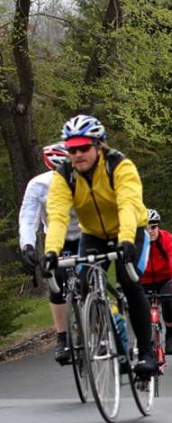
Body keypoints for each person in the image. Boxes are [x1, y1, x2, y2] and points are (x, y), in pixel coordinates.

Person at [41, 115, 158, 377]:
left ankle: (148, 353)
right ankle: (111, 341)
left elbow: (128, 205)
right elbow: (57, 216)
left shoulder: (119, 166)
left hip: (130, 230)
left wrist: (127, 240)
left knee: (130, 282)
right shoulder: (64, 176)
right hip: (93, 234)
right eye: (72, 149)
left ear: (99, 146)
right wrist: (51, 251)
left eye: (84, 147)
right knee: (84, 287)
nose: (78, 154)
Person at [18, 143, 82, 364]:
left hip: (87, 234)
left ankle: (98, 320)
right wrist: (27, 246)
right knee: (57, 283)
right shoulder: (38, 185)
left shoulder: (87, 177)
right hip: (58, 238)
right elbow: (28, 218)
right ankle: (62, 337)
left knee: (92, 277)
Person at [140, 208, 172, 355]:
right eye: (146, 228)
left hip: (164, 279)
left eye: (153, 227)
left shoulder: (167, 239)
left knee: (168, 301)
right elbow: (131, 266)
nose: (151, 231)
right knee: (142, 310)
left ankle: (170, 333)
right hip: (144, 280)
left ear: (158, 226)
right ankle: (149, 336)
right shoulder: (138, 242)